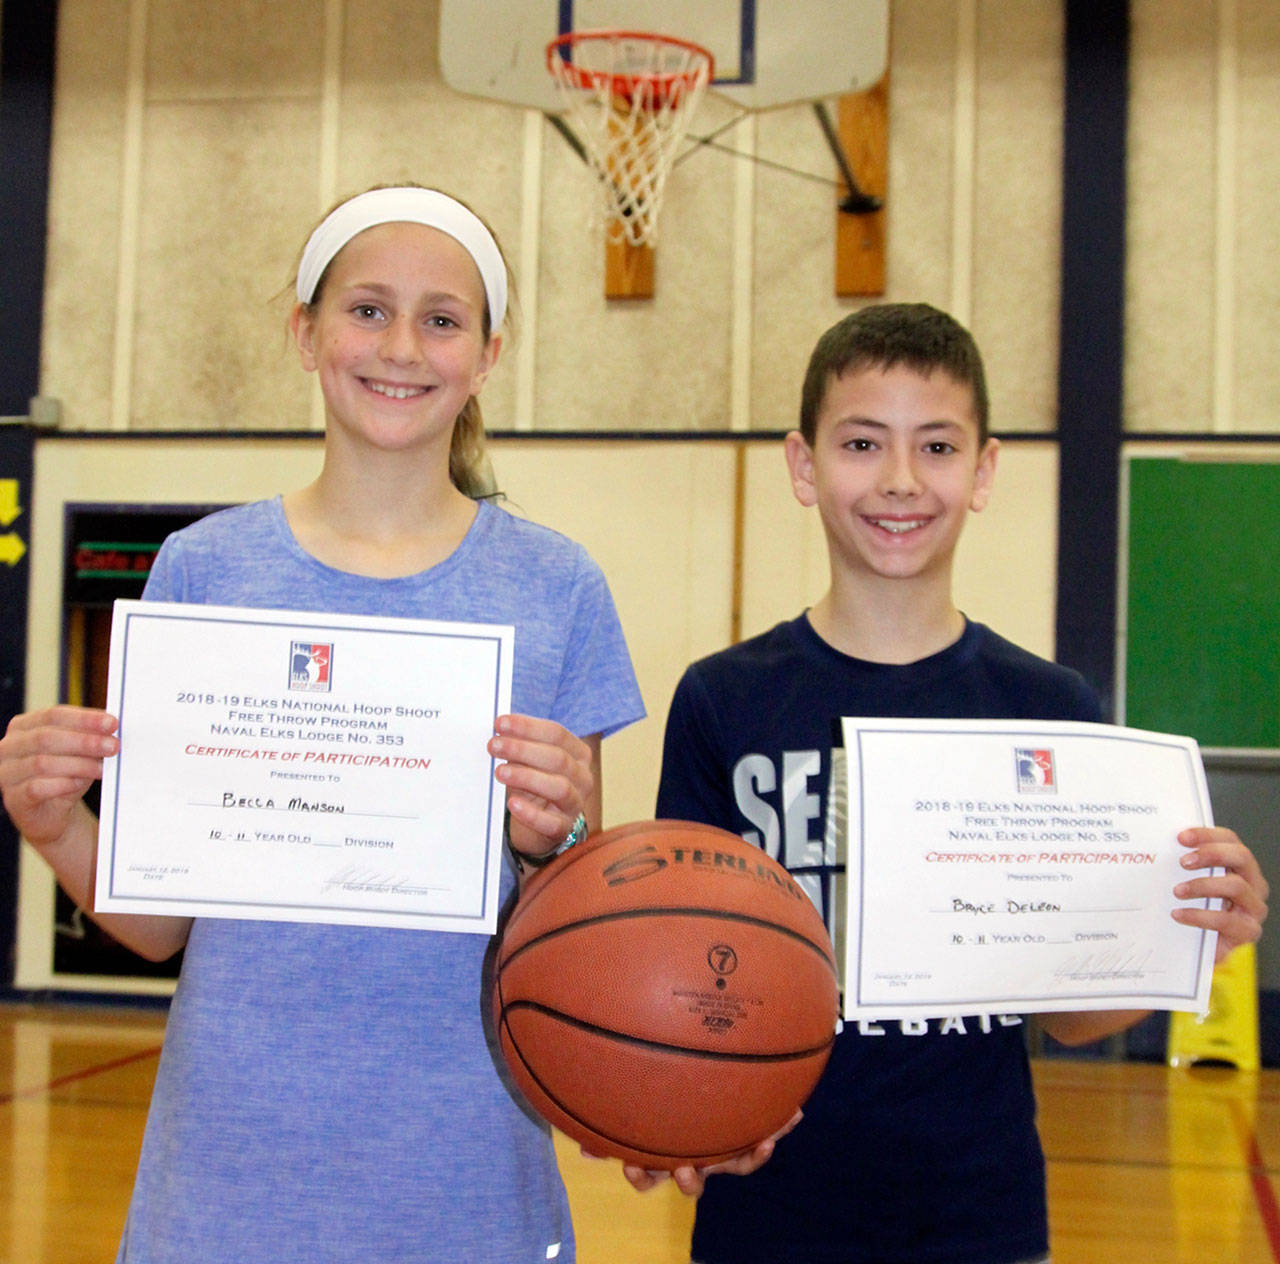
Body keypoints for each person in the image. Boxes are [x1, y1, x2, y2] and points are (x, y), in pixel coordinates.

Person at [0, 185, 644, 1262]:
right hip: (229, 1171)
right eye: (367, 309)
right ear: (305, 333)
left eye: (442, 319)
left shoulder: (556, 585)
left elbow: (574, 923)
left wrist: (557, 838)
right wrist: (53, 821)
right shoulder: (205, 568)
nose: (402, 347)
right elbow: (160, 926)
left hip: (465, 1169)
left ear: (487, 356)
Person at [649, 303, 1269, 1263]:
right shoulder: (721, 700)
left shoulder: (1048, 709)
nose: (900, 479)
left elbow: (1072, 1016)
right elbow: (682, 968)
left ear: (983, 471)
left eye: (937, 446)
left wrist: (1187, 936)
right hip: (765, 1212)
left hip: (981, 1218)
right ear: (804, 465)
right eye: (862, 443)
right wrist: (672, 1112)